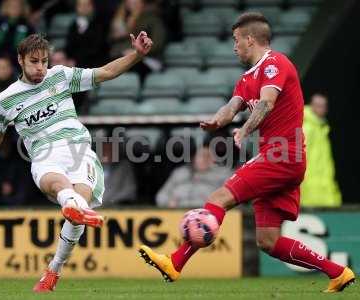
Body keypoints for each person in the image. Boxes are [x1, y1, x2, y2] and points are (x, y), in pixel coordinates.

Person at [138, 13, 355, 293]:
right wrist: (218, 121)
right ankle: (338, 272)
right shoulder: (246, 78)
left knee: (218, 198)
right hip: (280, 159)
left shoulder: (276, 64)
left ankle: (176, 262)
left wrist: (244, 131)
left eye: (236, 40)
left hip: (283, 155)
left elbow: (265, 104)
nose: (234, 47)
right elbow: (232, 107)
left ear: (250, 39)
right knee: (268, 241)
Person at [0, 32, 153, 292]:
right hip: (44, 152)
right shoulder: (6, 99)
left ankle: (53, 270)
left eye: (44, 61)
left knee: (78, 207)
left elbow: (105, 72)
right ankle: (71, 204)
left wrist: (137, 55)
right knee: (59, 185)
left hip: (78, 149)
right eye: (34, 62)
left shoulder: (60, 76)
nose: (40, 68)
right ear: (20, 60)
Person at [156, 146, 233, 208]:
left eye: (208, 156)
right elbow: (160, 196)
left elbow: (232, 199)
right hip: (178, 212)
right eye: (201, 156)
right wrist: (168, 202)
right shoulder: (180, 173)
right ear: (194, 157)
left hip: (208, 215)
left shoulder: (223, 174)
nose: (204, 159)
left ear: (214, 159)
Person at [300, 93, 342, 207]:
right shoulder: (306, 128)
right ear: (312, 106)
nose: (322, 109)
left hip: (326, 188)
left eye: (324, 106)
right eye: (318, 105)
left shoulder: (322, 128)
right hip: (310, 191)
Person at [65, 0, 109, 68]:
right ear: (76, 7)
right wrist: (71, 59)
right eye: (80, 5)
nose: (83, 8)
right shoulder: (73, 26)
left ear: (92, 7)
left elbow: (99, 47)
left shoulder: (100, 24)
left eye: (86, 5)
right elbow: (69, 46)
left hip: (96, 64)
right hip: (76, 64)